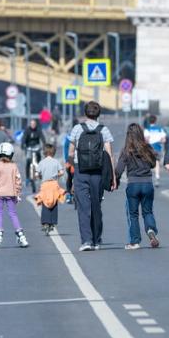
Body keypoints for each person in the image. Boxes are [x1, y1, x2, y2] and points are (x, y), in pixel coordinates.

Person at [68, 101, 115, 252]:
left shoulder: (77, 128)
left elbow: (70, 152)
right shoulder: (104, 130)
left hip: (81, 172)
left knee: (83, 207)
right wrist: (113, 177)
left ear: (85, 113)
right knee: (96, 205)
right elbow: (109, 155)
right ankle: (96, 240)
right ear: (99, 114)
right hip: (98, 173)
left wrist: (72, 164)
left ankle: (86, 241)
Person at [117, 123, 160, 250]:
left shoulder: (126, 150)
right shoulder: (147, 147)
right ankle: (151, 231)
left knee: (133, 214)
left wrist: (114, 181)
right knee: (147, 211)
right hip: (147, 184)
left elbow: (119, 170)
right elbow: (153, 164)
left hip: (133, 185)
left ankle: (135, 242)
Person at [0, 142, 28, 248]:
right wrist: (18, 194)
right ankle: (20, 235)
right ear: (11, 154)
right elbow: (18, 181)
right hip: (11, 194)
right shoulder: (13, 166)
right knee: (13, 214)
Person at [34, 144, 65, 234]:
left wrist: (40, 176)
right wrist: (56, 175)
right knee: (54, 203)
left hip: (45, 185)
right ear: (53, 152)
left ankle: (45, 223)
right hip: (54, 184)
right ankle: (52, 223)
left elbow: (36, 174)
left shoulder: (41, 162)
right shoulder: (56, 162)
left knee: (45, 203)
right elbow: (62, 172)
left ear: (44, 152)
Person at [22, 119, 44, 192]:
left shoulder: (38, 130)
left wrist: (44, 144)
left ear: (36, 124)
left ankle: (39, 171)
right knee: (28, 161)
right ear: (30, 124)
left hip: (36, 146)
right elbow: (24, 138)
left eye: (34, 124)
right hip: (29, 147)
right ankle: (28, 177)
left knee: (39, 158)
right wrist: (23, 145)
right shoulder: (27, 130)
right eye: (32, 124)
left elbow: (42, 137)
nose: (33, 125)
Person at [144, 115, 167, 181]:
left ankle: (148, 177)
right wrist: (159, 141)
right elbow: (164, 140)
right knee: (157, 163)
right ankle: (157, 176)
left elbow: (146, 140)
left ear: (149, 121)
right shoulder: (160, 129)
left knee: (148, 163)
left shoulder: (147, 129)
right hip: (158, 148)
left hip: (149, 149)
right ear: (155, 120)